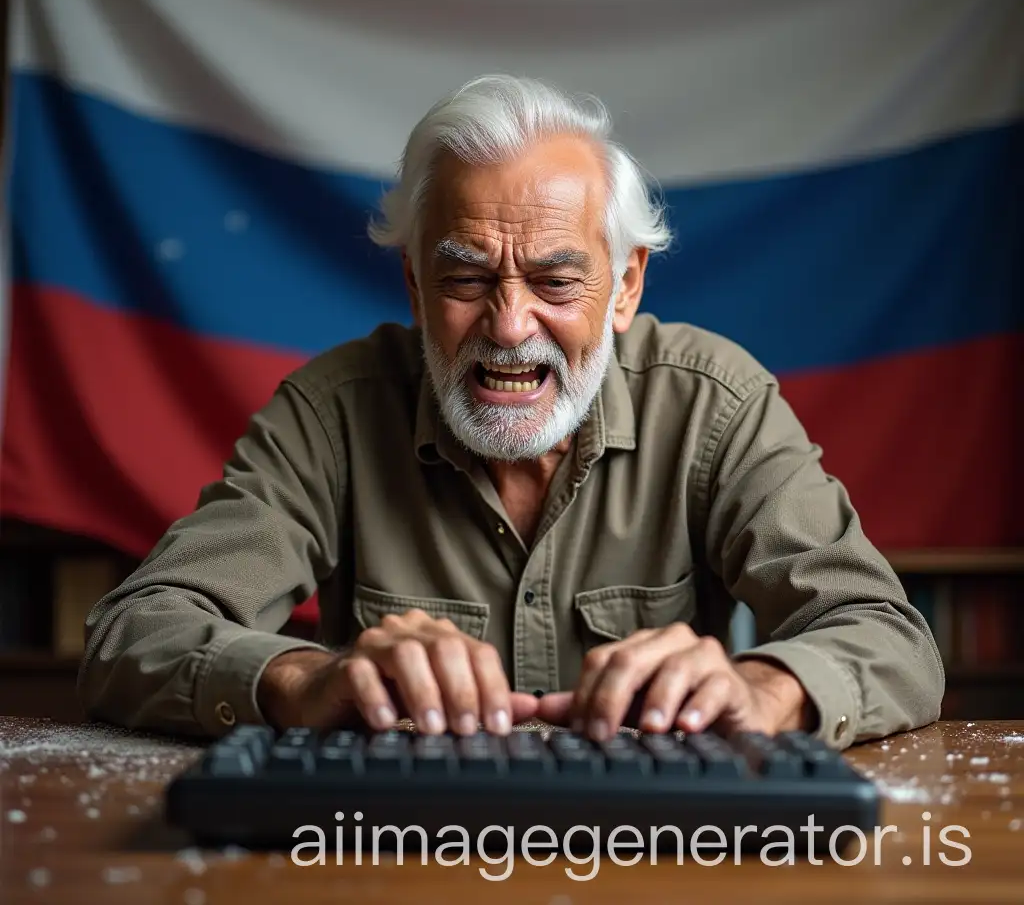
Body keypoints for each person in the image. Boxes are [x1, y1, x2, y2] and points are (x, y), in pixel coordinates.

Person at [78, 75, 943, 748]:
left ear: (625, 285)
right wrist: (299, 682)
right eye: (465, 279)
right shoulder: (333, 412)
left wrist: (769, 688)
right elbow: (133, 632)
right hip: (395, 863)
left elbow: (887, 637)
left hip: (664, 864)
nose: (509, 326)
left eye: (556, 280)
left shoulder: (715, 402)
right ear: (416, 286)